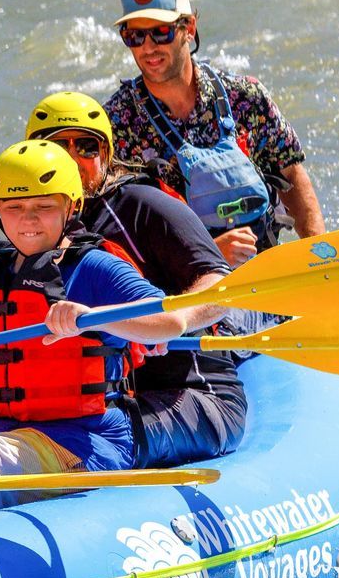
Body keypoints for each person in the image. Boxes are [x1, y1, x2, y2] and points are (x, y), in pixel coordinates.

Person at [0, 142, 228, 520]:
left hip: (84, 441)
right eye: (14, 208)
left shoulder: (97, 267)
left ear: (71, 207)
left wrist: (93, 317)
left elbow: (169, 323)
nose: (28, 219)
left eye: (44, 207)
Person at [24, 91, 249, 464]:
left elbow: (222, 285)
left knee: (84, 441)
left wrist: (173, 323)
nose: (74, 159)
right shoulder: (32, 225)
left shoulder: (144, 206)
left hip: (193, 392)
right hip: (105, 396)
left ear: (106, 155)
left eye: (86, 146)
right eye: (57, 148)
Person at [101, 0, 325, 266]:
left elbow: (292, 177)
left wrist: (322, 257)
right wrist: (208, 255)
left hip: (265, 272)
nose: (147, 47)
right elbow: (120, 233)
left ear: (189, 27)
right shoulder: (116, 124)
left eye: (161, 32)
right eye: (134, 36)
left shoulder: (245, 97)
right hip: (185, 287)